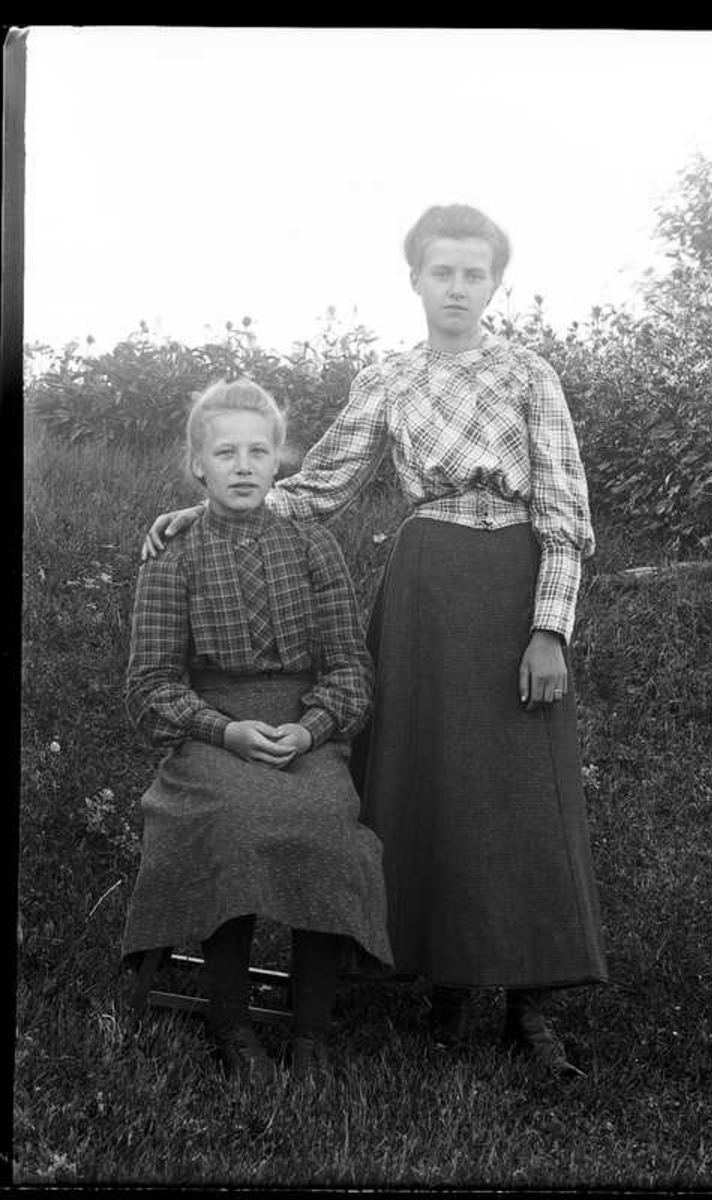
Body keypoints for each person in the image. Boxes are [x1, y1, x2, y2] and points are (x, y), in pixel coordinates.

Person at [143, 204, 607, 1075]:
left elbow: (564, 508)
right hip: (425, 587)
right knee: (434, 783)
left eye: (474, 274)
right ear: (415, 280)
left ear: (494, 284)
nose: (457, 288)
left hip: (512, 584)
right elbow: (317, 486)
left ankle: (528, 1005)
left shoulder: (528, 372)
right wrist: (202, 512)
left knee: (520, 794)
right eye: (442, 272)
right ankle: (444, 981)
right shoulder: (389, 378)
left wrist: (548, 628)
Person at [124, 377, 393, 1085]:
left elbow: (349, 667)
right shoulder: (173, 555)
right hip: (211, 737)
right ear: (198, 465)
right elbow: (151, 684)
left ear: (279, 462)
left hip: (302, 730)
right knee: (234, 821)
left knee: (326, 825)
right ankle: (232, 1025)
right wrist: (223, 730)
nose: (242, 466)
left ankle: (310, 1032)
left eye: (257, 452)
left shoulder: (314, 546)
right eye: (225, 453)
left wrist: (310, 730)